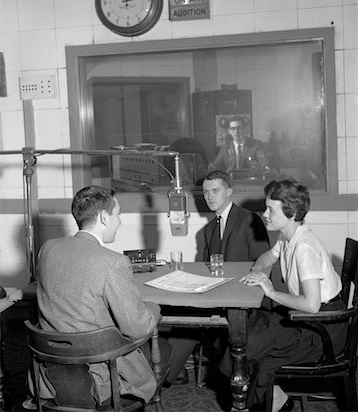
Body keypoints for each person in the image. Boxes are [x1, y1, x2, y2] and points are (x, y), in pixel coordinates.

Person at [27, 185, 188, 408]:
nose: (119, 221)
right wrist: (154, 308)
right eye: (117, 214)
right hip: (99, 378)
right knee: (165, 348)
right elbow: (138, 328)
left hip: (50, 373)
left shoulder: (48, 249)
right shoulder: (113, 262)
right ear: (104, 217)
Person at [219, 179, 347, 412]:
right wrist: (257, 272)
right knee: (250, 328)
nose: (264, 214)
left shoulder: (305, 247)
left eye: (271, 209)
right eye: (266, 207)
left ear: (293, 213)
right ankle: (273, 400)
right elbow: (268, 257)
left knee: (248, 343)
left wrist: (270, 291)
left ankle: (245, 403)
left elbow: (311, 305)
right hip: (309, 318)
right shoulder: (288, 236)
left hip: (323, 329)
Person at [199, 171, 270, 262]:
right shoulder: (209, 229)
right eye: (206, 192)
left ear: (229, 192)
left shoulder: (250, 220)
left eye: (215, 191)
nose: (210, 197)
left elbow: (264, 261)